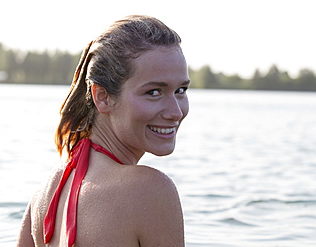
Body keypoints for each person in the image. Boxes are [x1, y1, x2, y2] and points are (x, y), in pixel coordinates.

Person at [16, 15, 190, 247]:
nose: (175, 112)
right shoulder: (149, 190)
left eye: (181, 90)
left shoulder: (46, 194)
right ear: (103, 97)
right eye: (154, 92)